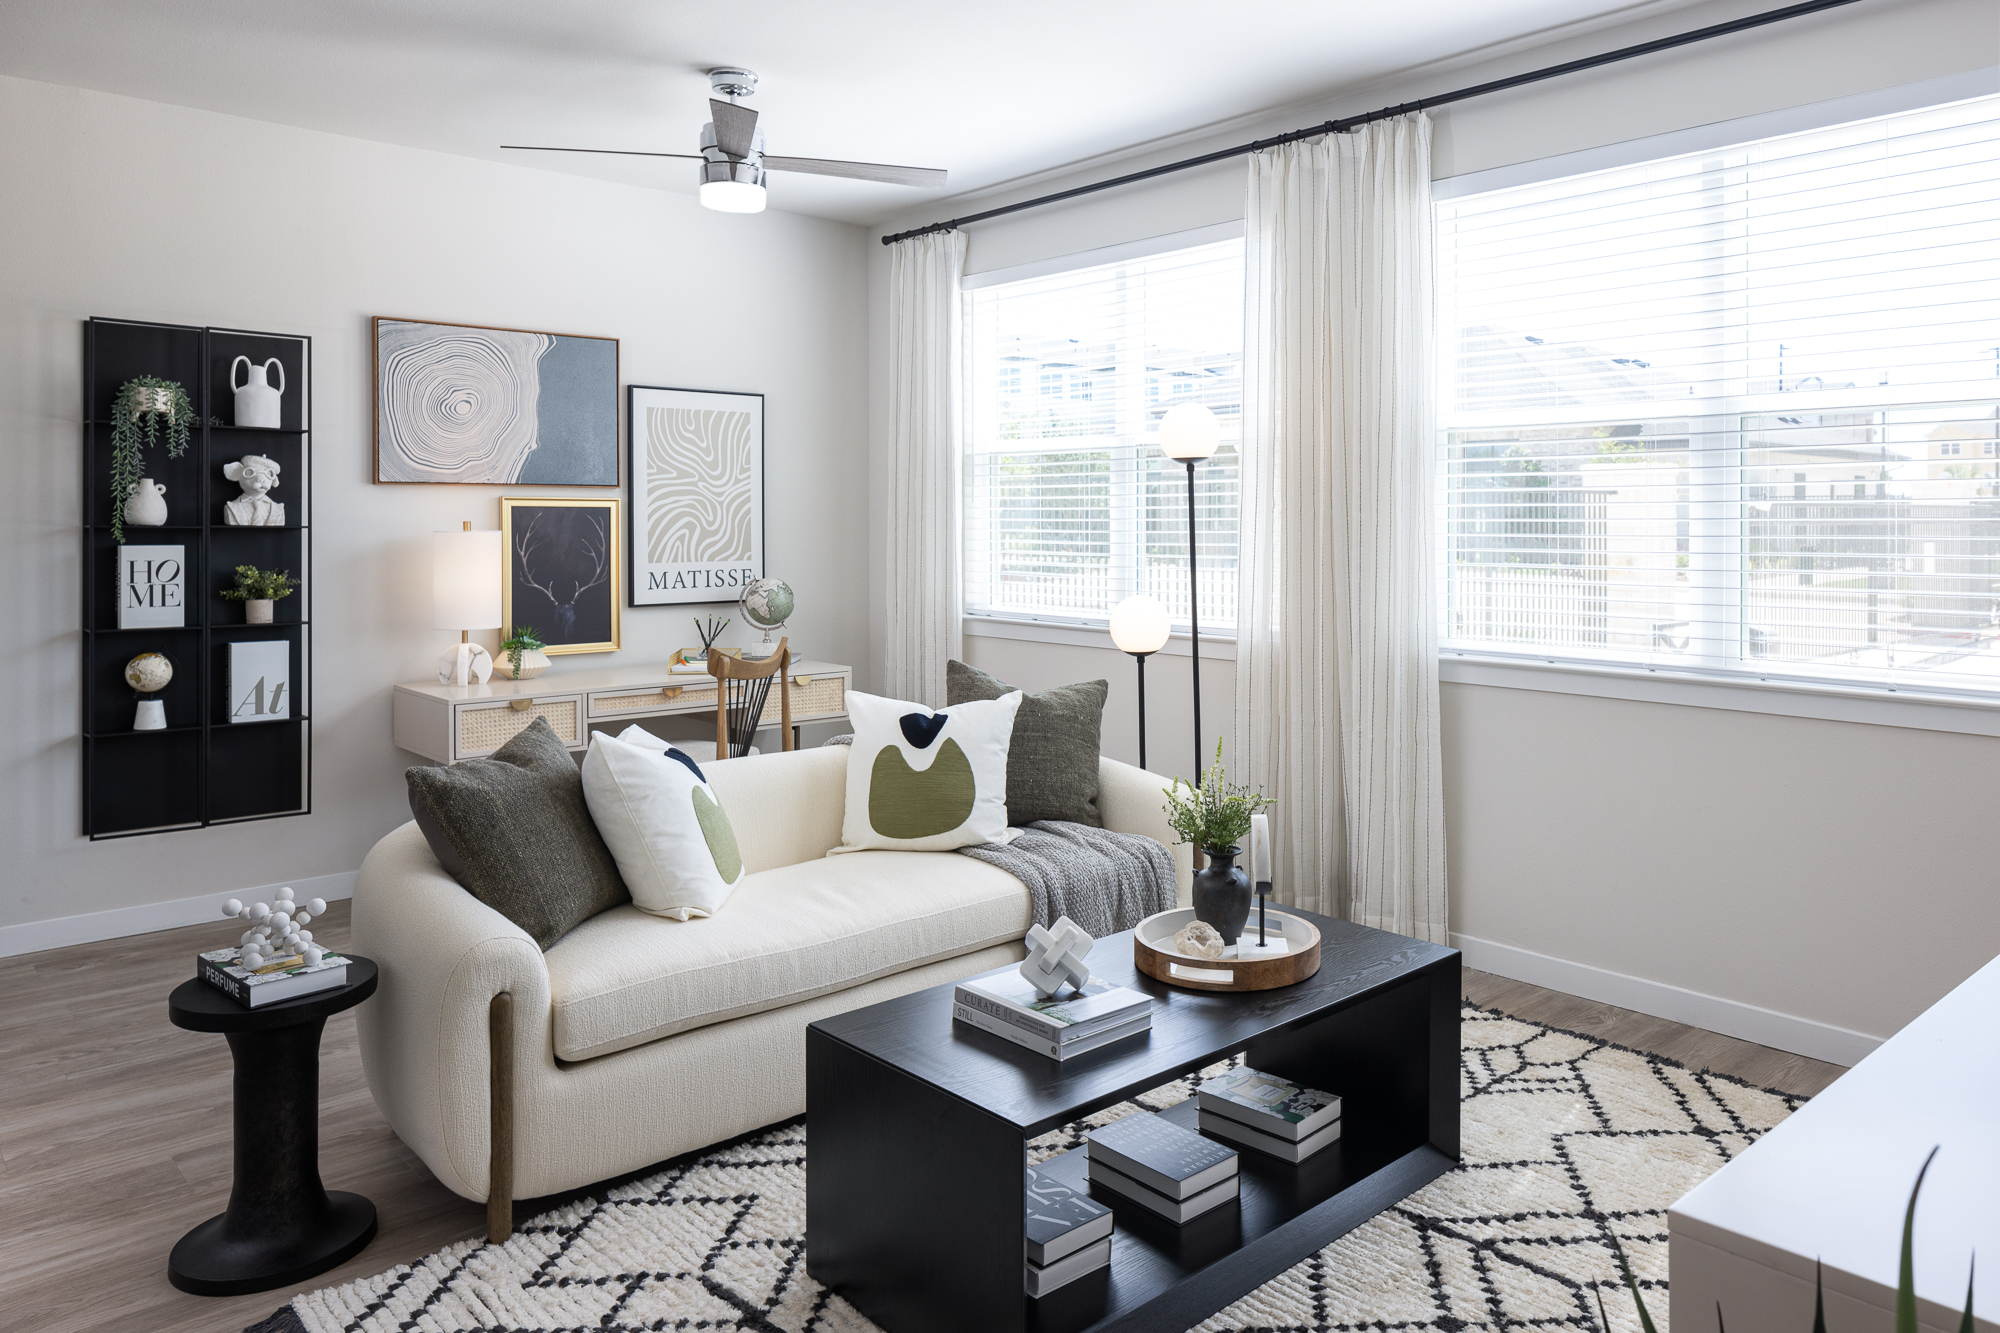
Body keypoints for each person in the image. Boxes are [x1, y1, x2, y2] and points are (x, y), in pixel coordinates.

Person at [222, 455, 285, 526]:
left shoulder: (278, 509)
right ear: (237, 474)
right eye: (250, 473)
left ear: (274, 480)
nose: (261, 479)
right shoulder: (231, 507)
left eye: (268, 474)